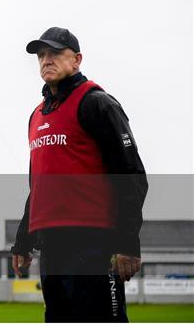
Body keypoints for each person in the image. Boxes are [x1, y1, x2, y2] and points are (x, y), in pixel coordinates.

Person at [11, 27, 148, 322]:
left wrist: (127, 243)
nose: (46, 60)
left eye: (55, 53)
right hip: (51, 245)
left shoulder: (97, 103)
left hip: (92, 243)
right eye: (41, 55)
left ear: (76, 60)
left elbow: (131, 174)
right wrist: (23, 241)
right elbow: (38, 186)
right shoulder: (37, 116)